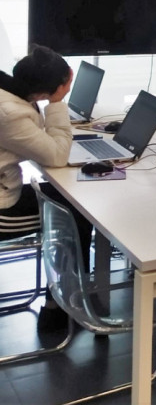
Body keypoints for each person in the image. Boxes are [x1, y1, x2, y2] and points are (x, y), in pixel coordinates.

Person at [0, 46, 94, 331]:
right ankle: (59, 306)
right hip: (4, 208)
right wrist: (57, 104)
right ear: (48, 89)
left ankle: (67, 295)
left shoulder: (8, 90)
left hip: (6, 187)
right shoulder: (10, 113)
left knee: (70, 201)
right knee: (77, 213)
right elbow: (56, 155)